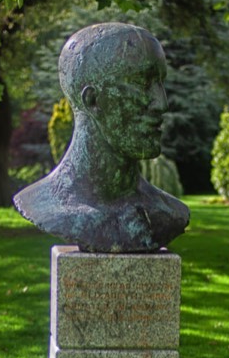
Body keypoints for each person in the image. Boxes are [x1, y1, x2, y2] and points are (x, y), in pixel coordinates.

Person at [13, 22, 190, 253]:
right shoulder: (44, 205)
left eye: (160, 83)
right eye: (142, 83)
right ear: (93, 101)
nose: (162, 103)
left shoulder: (167, 213)